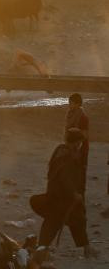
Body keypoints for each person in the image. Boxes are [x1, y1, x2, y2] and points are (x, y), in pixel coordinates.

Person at [31, 129, 97, 258]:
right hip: (61, 197)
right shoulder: (65, 155)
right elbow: (64, 177)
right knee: (54, 222)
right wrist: (74, 193)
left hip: (65, 197)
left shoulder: (64, 152)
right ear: (73, 142)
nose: (79, 145)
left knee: (77, 220)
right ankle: (41, 250)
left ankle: (87, 248)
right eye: (78, 142)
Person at [65, 93, 89, 195]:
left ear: (78, 104)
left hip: (81, 147)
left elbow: (85, 135)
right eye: (69, 102)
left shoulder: (83, 116)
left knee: (80, 171)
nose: (70, 104)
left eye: (72, 103)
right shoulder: (69, 114)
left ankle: (80, 194)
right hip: (70, 145)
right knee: (70, 170)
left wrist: (76, 131)